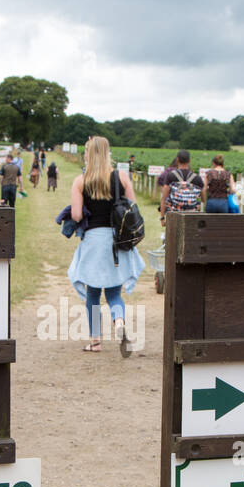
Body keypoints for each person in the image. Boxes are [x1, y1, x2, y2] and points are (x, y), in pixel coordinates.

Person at [67, 136, 144, 356]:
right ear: (107, 153)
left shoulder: (81, 181)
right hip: (116, 240)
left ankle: (95, 341)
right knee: (113, 293)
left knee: (93, 293)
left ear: (88, 154)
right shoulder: (122, 177)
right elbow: (133, 208)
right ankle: (118, 322)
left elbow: (77, 214)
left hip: (93, 240)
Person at [159, 150, 203, 225]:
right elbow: (202, 199)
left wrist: (162, 218)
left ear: (177, 160)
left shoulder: (170, 176)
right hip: (192, 216)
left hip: (174, 215)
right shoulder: (197, 178)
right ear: (189, 160)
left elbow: (164, 198)